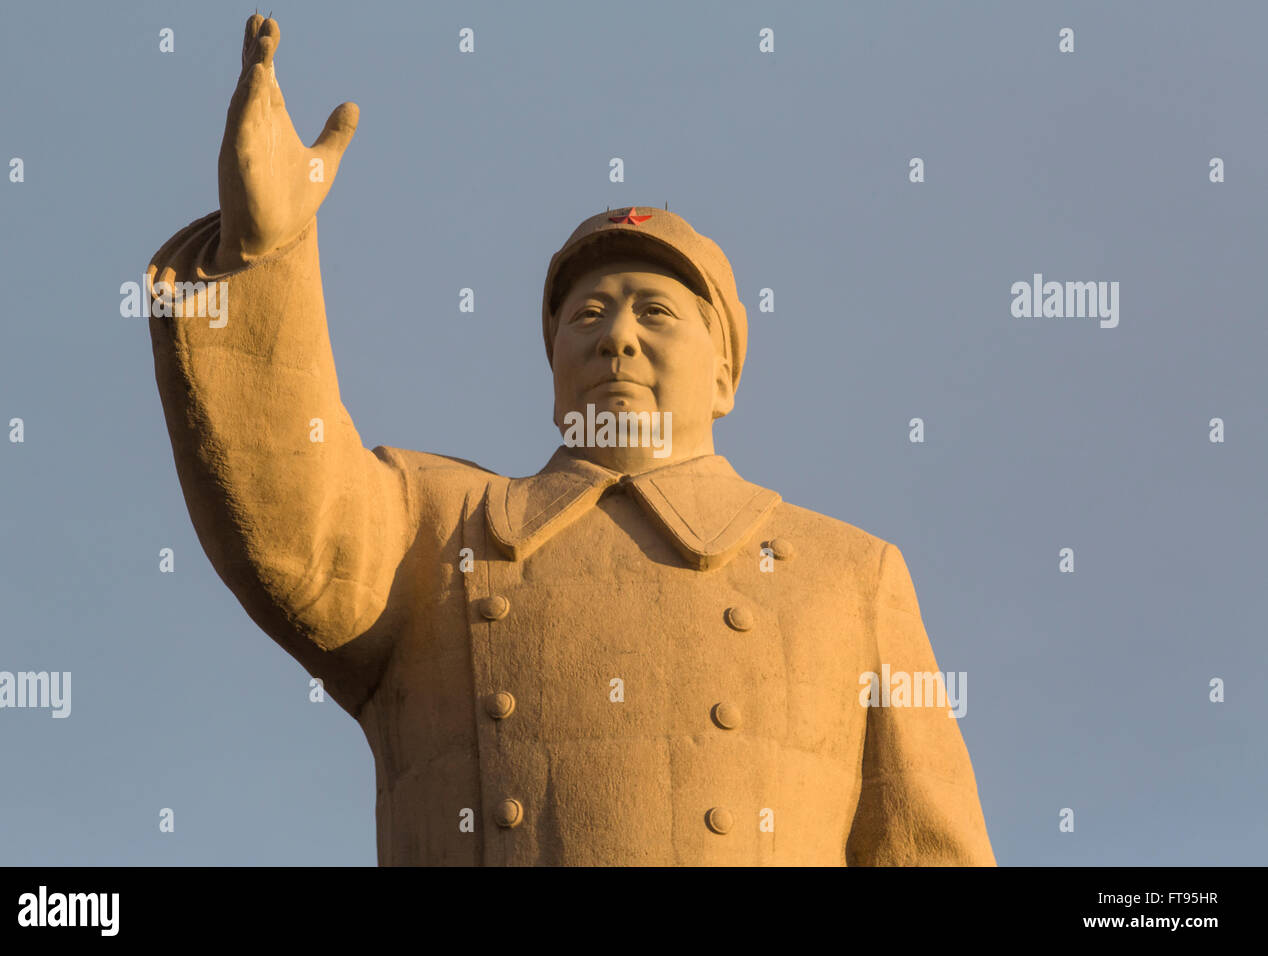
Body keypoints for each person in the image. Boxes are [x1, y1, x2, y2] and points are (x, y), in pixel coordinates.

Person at [146, 14, 997, 866]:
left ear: (725, 373)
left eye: (655, 312)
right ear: (552, 363)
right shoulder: (440, 530)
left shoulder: (846, 574)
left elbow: (929, 848)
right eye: (585, 314)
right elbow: (290, 520)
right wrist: (262, 256)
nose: (615, 337)